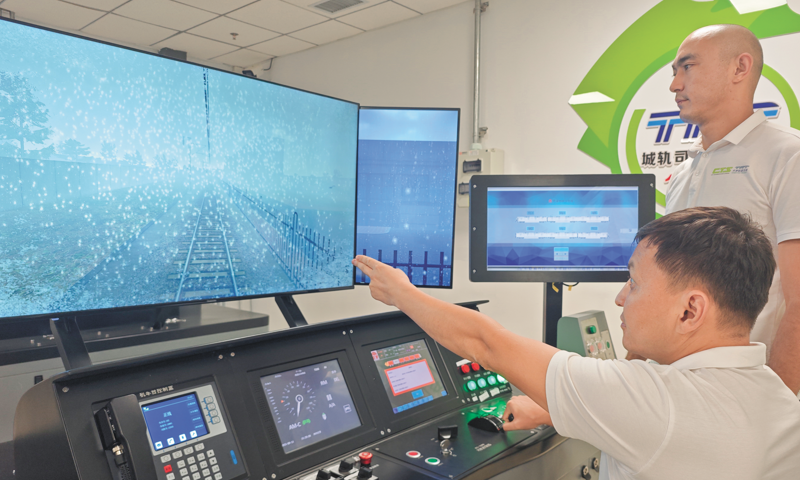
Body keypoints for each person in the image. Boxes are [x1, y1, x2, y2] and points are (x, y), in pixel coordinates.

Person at [352, 207, 800, 480]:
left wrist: (400, 293)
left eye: (635, 283)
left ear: (690, 311)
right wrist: (556, 411)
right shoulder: (779, 398)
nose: (620, 297)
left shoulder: (659, 402)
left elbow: (485, 343)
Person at [664, 24, 800, 394]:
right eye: (673, 72)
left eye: (687, 67)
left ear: (740, 68)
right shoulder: (683, 172)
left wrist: (775, 407)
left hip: (748, 393)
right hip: (674, 391)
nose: (675, 85)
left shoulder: (788, 156)